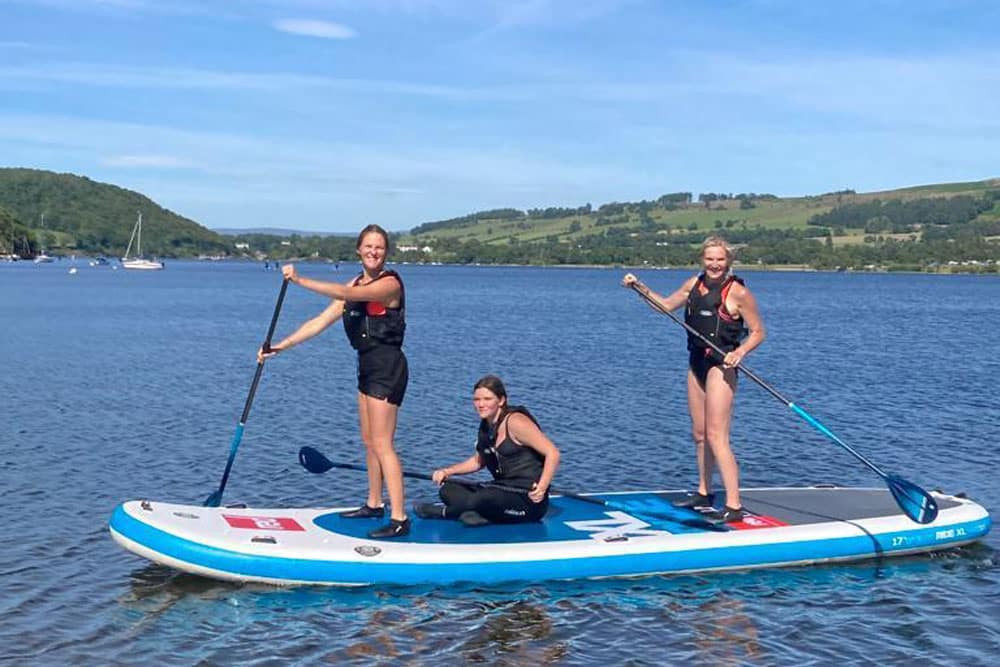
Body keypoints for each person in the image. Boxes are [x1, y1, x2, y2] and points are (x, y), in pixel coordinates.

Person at [258, 224, 410, 539]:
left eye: (379, 247)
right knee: (369, 441)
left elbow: (350, 295)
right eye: (368, 246)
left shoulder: (390, 284)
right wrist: (280, 346)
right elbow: (320, 321)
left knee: (383, 443)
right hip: (366, 365)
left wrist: (300, 280)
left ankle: (399, 518)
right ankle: (374, 503)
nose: (373, 252)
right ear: (359, 249)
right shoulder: (354, 281)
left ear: (386, 252)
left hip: (387, 367)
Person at [622, 235, 765, 523]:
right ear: (703, 259)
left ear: (728, 261)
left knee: (717, 436)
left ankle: (734, 505)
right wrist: (639, 288)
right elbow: (664, 306)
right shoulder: (693, 284)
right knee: (699, 434)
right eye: (710, 259)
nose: (715, 264)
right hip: (697, 361)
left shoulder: (738, 293)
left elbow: (759, 332)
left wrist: (740, 352)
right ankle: (703, 492)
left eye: (720, 259)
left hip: (721, 366)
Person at [414, 375, 560, 526]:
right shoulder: (486, 425)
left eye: (487, 399)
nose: (481, 404)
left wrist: (542, 488)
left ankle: (443, 512)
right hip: (501, 488)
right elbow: (478, 461)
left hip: (527, 500)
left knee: (485, 497)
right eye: (477, 400)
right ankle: (474, 514)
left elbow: (553, 453)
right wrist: (447, 472)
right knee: (448, 489)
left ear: (501, 400)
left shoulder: (516, 422)